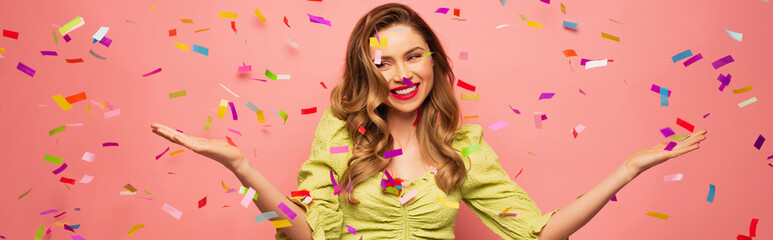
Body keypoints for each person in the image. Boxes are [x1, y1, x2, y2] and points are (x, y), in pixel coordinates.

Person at [150, 3, 707, 240]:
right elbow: (306, 234)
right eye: (382, 62)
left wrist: (628, 170)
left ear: (435, 62)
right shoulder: (339, 134)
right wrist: (240, 164)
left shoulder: (462, 145)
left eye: (413, 56)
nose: (400, 74)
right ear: (365, 72)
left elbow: (539, 233)